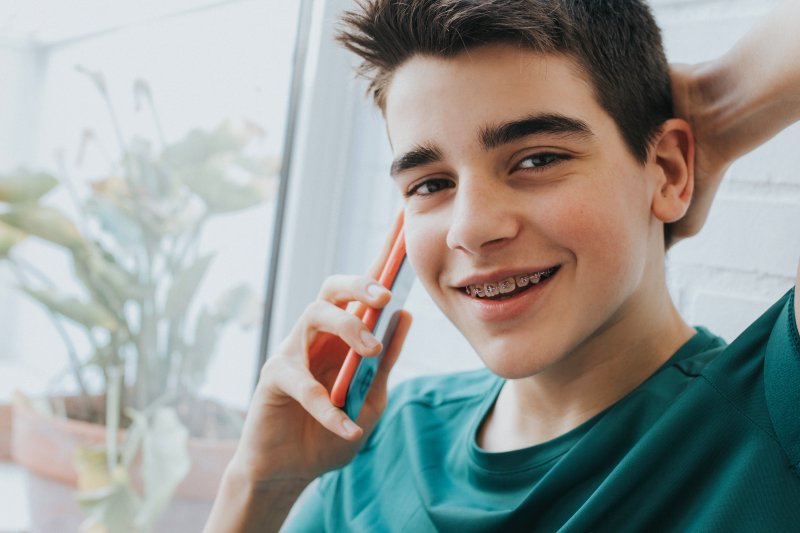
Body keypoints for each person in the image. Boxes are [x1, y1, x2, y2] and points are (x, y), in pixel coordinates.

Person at [204, 0, 800, 531]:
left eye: (536, 158)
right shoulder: (373, 447)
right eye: (430, 183)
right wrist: (258, 486)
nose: (471, 228)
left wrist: (716, 107)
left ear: (668, 170)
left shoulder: (773, 410)